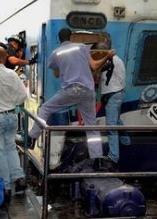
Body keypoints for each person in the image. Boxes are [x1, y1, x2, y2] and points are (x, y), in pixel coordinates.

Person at [29, 28, 115, 161]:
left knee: (45, 108)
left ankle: (32, 137)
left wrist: (64, 68)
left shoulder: (55, 53)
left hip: (70, 90)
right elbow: (94, 66)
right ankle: (97, 159)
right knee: (92, 126)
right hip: (87, 90)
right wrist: (107, 57)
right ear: (71, 37)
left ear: (59, 39)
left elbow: (56, 73)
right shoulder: (81, 47)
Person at [0, 46, 28, 202]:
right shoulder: (11, 74)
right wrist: (8, 104)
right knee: (10, 147)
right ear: (4, 58)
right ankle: (19, 178)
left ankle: (6, 187)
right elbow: (22, 95)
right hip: (11, 116)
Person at [93, 41, 130, 171]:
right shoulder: (114, 59)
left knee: (111, 126)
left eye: (97, 55)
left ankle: (113, 156)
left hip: (113, 95)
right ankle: (126, 140)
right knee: (116, 120)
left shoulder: (111, 60)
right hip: (115, 94)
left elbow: (97, 69)